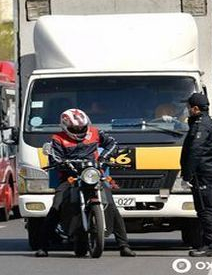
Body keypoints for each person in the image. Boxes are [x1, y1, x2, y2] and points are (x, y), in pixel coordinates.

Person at [35, 108, 136, 258]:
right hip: (70, 177)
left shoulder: (95, 132)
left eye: (81, 127)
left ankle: (124, 246)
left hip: (93, 174)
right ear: (65, 127)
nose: (79, 130)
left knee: (113, 207)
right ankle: (42, 246)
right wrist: (64, 163)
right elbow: (54, 157)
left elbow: (112, 144)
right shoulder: (57, 138)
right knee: (57, 206)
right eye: (75, 128)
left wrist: (103, 158)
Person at [180, 92, 212, 257]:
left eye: (189, 107)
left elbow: (195, 151)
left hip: (202, 173)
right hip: (207, 171)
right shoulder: (206, 123)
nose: (187, 110)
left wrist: (187, 174)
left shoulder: (201, 126)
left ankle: (211, 245)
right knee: (207, 208)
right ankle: (208, 243)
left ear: (195, 108)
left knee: (205, 209)